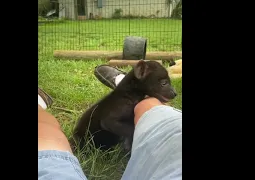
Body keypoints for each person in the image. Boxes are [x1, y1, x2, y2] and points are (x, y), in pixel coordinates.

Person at [38, 65, 182, 180]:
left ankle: (123, 83)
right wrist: (138, 132)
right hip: (88, 140)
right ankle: (124, 83)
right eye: (164, 83)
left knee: (49, 156)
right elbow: (109, 122)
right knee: (152, 112)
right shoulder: (122, 104)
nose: (173, 92)